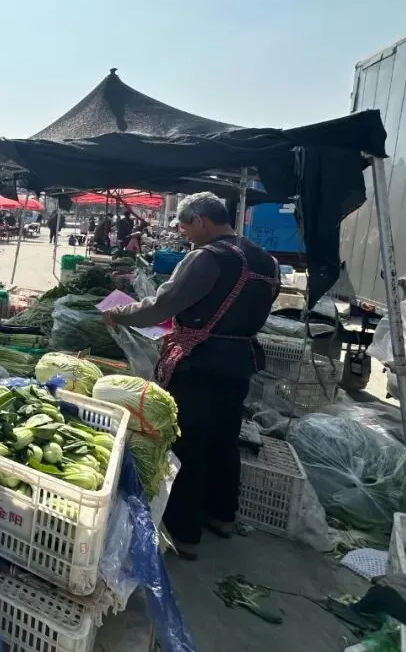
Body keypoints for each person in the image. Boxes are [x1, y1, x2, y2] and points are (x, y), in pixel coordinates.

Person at [102, 192, 278, 560]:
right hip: (240, 361)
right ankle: (222, 516)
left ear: (200, 220)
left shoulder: (208, 257)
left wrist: (119, 313)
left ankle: (185, 534)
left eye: (185, 227)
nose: (185, 235)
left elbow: (162, 306)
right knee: (225, 440)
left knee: (189, 445)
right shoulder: (267, 260)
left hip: (201, 362)